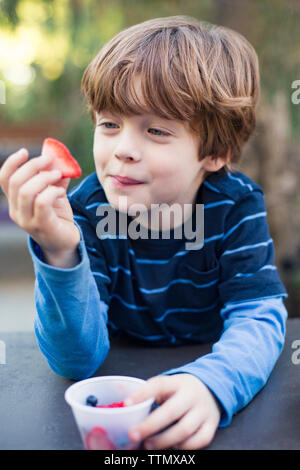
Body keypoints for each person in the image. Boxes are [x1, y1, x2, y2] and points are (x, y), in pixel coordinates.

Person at [0, 16, 288, 450]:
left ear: (215, 153)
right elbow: (77, 359)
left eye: (155, 130)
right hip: (122, 387)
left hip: (207, 370)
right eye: (109, 124)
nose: (123, 150)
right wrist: (60, 252)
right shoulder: (86, 211)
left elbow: (259, 317)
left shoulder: (235, 206)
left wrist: (212, 384)